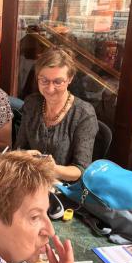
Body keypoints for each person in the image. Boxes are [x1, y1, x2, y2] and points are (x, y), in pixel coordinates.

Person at [15, 47, 99, 181]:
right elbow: (19, 148)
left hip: (62, 188)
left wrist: (53, 169)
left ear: (70, 79)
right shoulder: (32, 103)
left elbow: (80, 169)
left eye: (58, 82)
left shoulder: (84, 114)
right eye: (44, 80)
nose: (50, 88)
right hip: (30, 179)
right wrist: (23, 155)